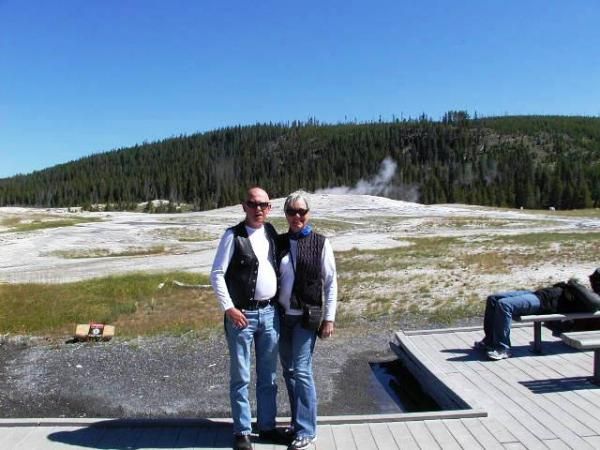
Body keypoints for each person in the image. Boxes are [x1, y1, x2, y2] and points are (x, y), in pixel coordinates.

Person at [211, 187, 286, 450]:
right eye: (253, 204)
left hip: (270, 313)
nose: (258, 209)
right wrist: (229, 308)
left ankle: (266, 427)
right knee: (241, 376)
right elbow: (217, 273)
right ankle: (242, 431)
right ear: (244, 206)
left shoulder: (272, 233)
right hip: (241, 316)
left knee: (268, 376)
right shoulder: (232, 235)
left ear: (270, 208)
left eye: (263, 205)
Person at [277, 191, 337, 450]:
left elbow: (331, 283)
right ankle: (297, 421)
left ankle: (307, 430)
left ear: (308, 213)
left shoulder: (321, 243)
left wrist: (329, 318)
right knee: (289, 372)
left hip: (306, 318)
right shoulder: (278, 242)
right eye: (292, 212)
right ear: (286, 214)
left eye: (301, 211)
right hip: (281, 317)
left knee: (301, 371)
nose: (297, 216)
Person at [475, 268, 600, 361]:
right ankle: (489, 341)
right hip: (539, 295)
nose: (592, 281)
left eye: (595, 280)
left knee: (504, 305)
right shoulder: (588, 292)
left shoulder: (594, 298)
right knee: (493, 299)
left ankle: (502, 348)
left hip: (543, 303)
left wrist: (574, 285)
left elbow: (594, 303)